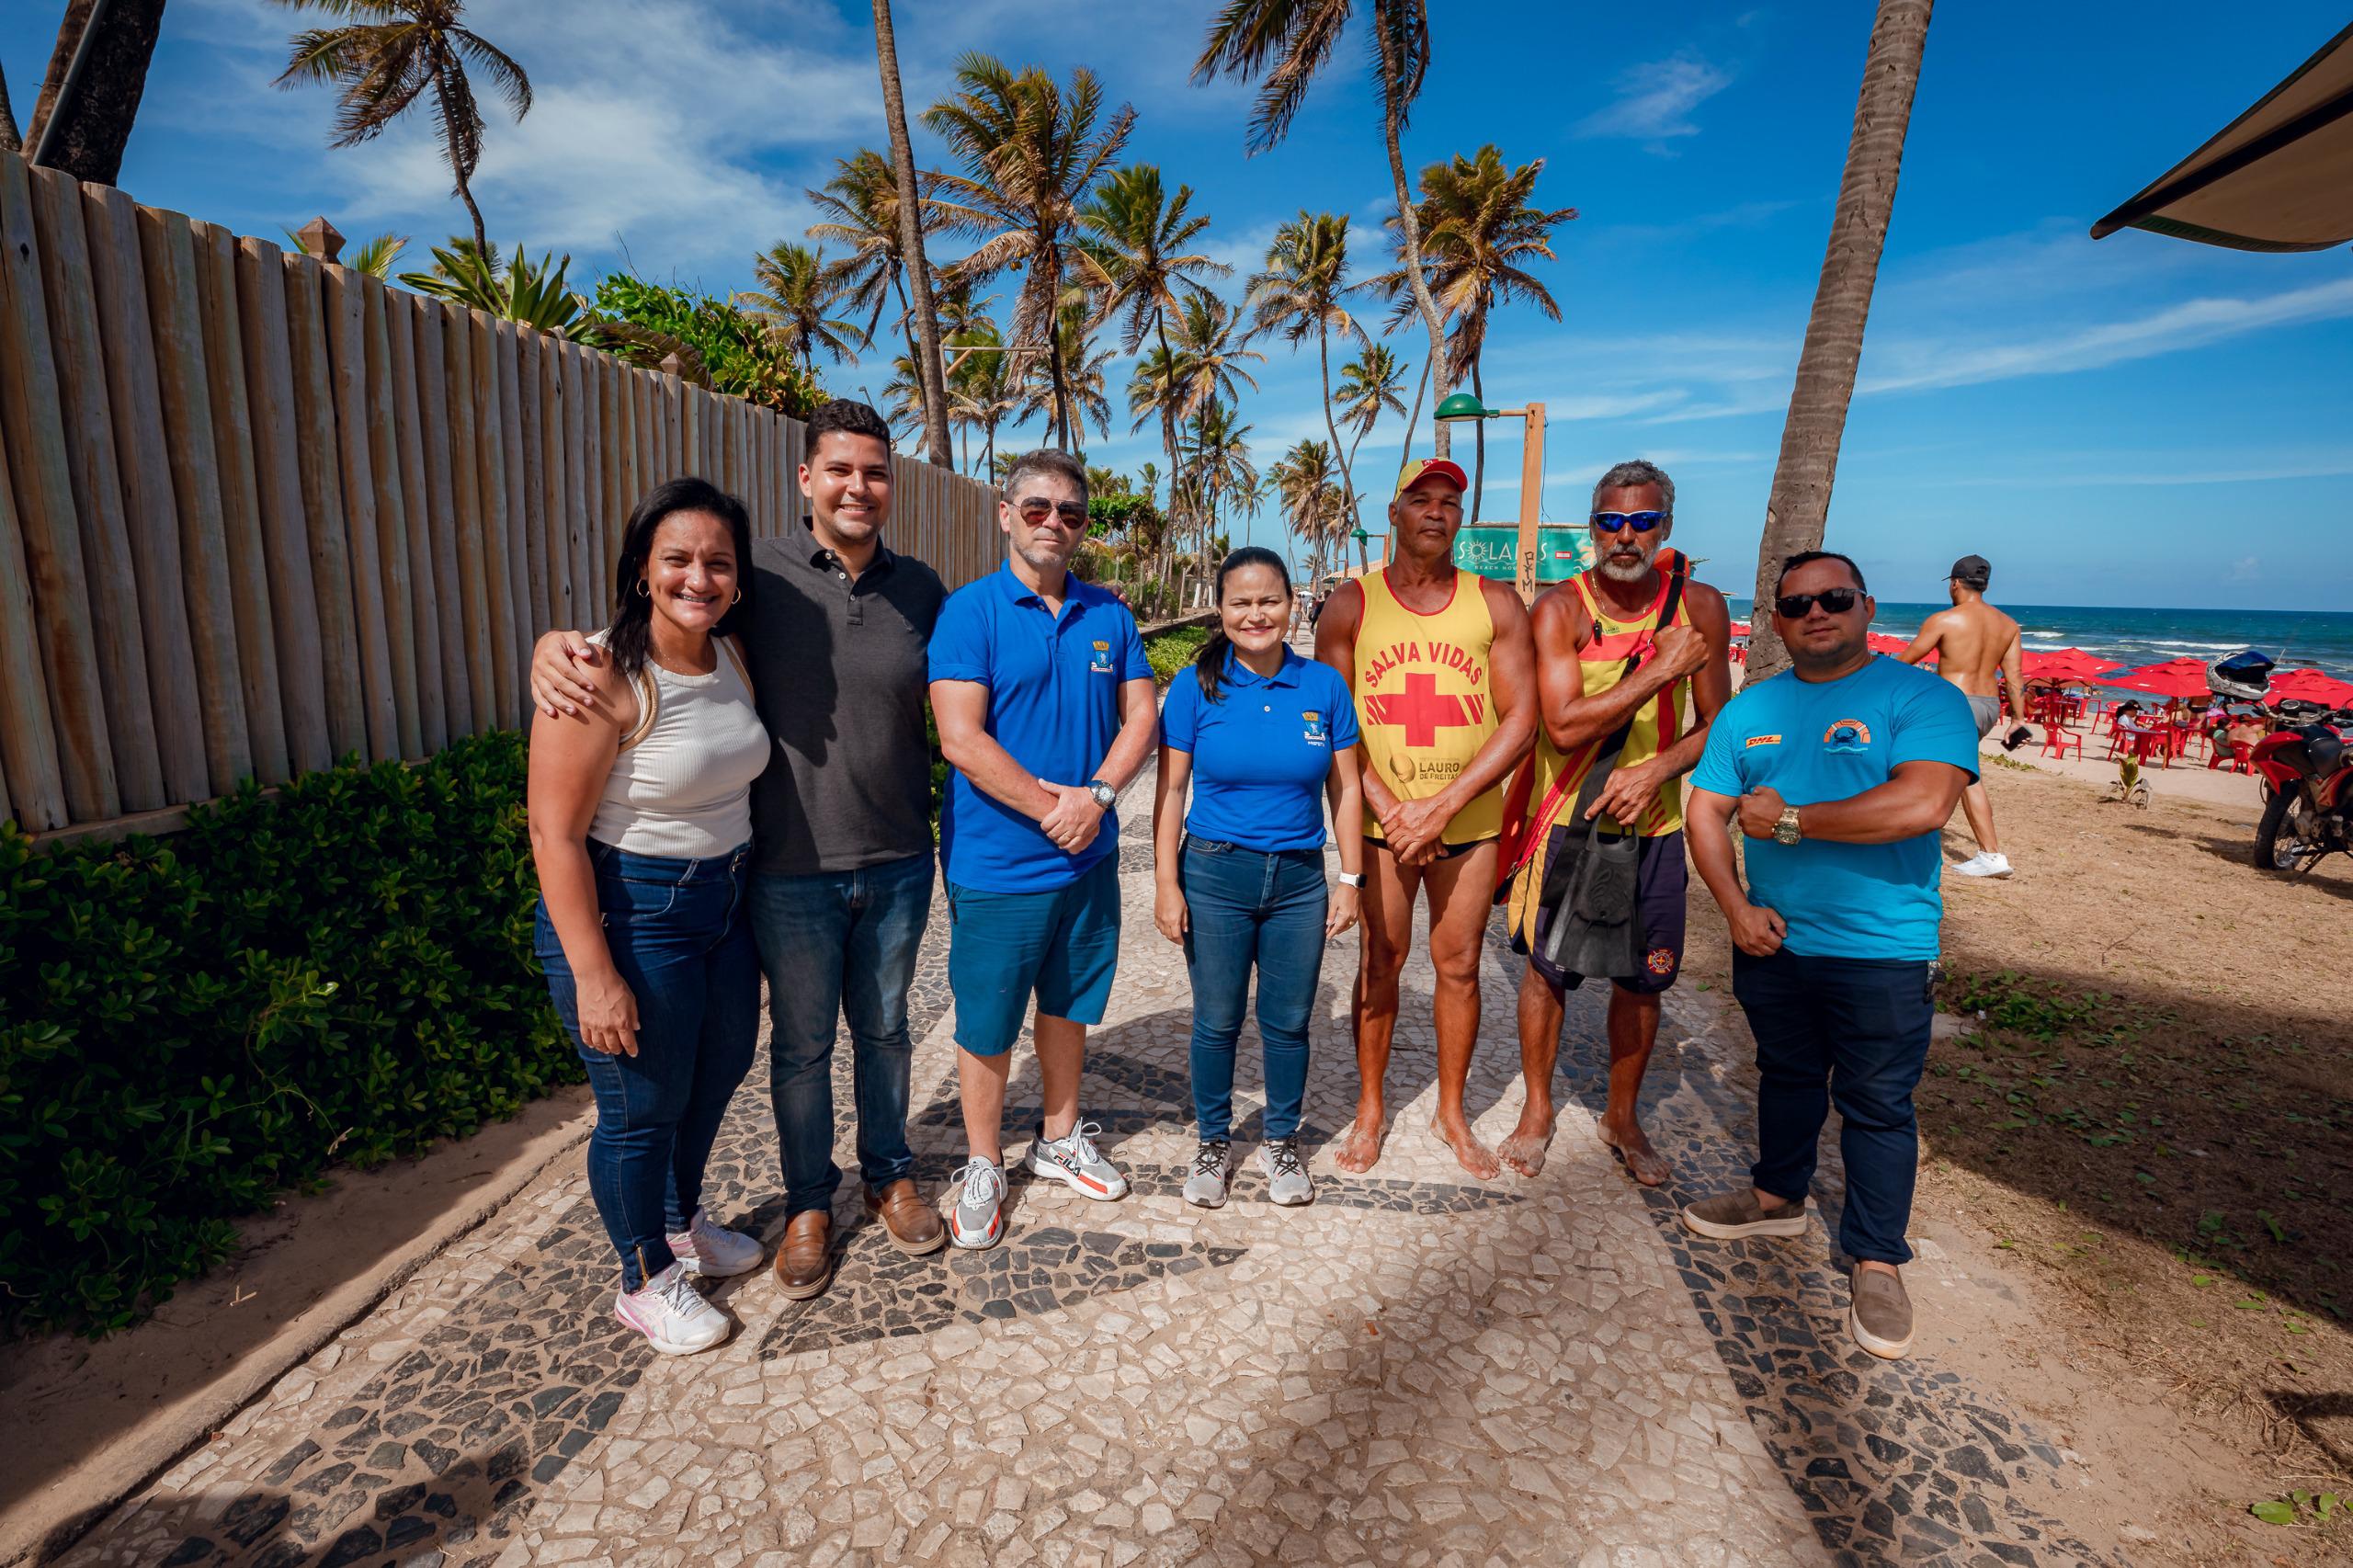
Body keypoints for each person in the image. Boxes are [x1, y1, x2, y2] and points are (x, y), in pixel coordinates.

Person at [531, 399, 949, 1303]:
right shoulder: (753, 572)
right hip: (785, 869)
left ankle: (886, 1172)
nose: (857, 486)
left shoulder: (922, 590)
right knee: (797, 1048)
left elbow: (973, 692)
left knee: (880, 1032)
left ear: (890, 482)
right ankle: (806, 1203)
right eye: (839, 468)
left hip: (893, 862)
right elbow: (640, 626)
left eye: (874, 470)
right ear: (805, 477)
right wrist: (550, 650)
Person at [1679, 551, 1978, 1361]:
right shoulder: (1752, 709)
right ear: (1777, 620)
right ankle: (1777, 1195)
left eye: (1834, 598)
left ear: (1865, 607)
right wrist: (1735, 907)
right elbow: (1705, 812)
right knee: (1785, 1075)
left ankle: (1876, 1259)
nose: (1817, 613)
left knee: (1879, 1104)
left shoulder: (1920, 696)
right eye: (1798, 604)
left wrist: (1787, 821)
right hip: (1773, 937)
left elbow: (1920, 803)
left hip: (1882, 947)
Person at [527, 479, 771, 1356]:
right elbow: (553, 835)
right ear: (640, 570)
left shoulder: (733, 653)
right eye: (676, 560)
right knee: (641, 1106)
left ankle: (676, 1219)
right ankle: (643, 1280)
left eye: (717, 562)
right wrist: (595, 975)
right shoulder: (597, 672)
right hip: (634, 910)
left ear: (739, 579)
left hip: (725, 901)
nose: (697, 579)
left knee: (719, 1067)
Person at [928, 449, 1160, 1248]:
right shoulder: (972, 612)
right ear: (1006, 514)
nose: (1054, 523)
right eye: (1036, 509)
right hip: (998, 863)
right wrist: (1052, 808)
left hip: (1086, 857)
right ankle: (985, 1162)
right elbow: (959, 738)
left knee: (1067, 1005)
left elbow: (1141, 717)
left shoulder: (1110, 615)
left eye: (1069, 512)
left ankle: (1060, 1138)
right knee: (988, 1021)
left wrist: (1095, 802)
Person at [1500, 460, 1732, 1184]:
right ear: (1591, 526)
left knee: (1643, 982)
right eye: (1610, 521)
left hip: (1654, 826)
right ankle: (1538, 1110)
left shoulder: (1700, 606)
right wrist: (1661, 670)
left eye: (1642, 521)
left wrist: (1656, 770)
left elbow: (1717, 728)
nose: (1625, 536)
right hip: (1564, 818)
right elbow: (1563, 729)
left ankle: (1621, 1116)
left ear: (1665, 527)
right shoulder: (1560, 610)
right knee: (1548, 973)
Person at [1313, 457, 1537, 1177]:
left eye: (1449, 502)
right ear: (1396, 513)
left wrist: (1440, 807)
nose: (1436, 512)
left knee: (1460, 965)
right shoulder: (1352, 605)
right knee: (1382, 961)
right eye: (1421, 500)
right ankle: (1371, 1108)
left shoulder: (1495, 603)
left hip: (1464, 824)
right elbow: (1328, 721)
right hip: (1382, 823)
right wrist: (1389, 809)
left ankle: (1451, 1111)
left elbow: (1520, 719)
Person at [1153, 548, 1366, 1209]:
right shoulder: (1196, 685)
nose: (1256, 614)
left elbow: (1348, 789)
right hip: (1215, 874)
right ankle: (1213, 1143)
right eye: (1240, 602)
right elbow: (1170, 790)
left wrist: (1350, 878)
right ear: (1221, 611)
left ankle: (1281, 1143)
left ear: (1292, 605)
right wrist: (1166, 882)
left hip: (1299, 881)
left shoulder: (1323, 685)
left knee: (1288, 1022)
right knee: (1215, 1021)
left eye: (1269, 600)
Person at [1898, 555, 2024, 878]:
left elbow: (1906, 661)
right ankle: (1910, 830)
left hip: (1954, 704)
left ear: (1955, 583)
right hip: (1989, 706)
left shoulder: (1945, 620)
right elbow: (2014, 678)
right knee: (1950, 770)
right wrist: (2018, 719)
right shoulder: (2008, 625)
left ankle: (1992, 855)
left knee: (1966, 776)